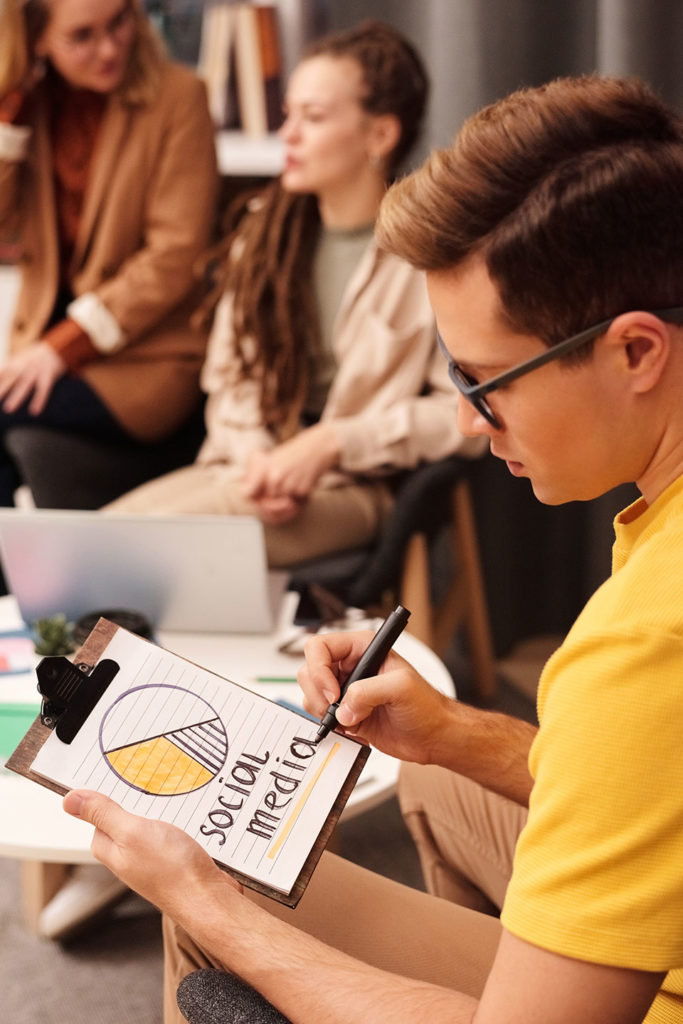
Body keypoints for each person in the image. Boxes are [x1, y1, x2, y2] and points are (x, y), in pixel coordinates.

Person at [62, 71, 683, 1024]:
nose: (474, 422)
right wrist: (449, 734)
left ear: (636, 352)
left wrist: (201, 901)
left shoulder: (640, 646)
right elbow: (645, 780)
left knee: (213, 899)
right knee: (430, 780)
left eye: (484, 382)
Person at [107, 20, 482, 567]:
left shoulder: (430, 257)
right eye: (289, 115)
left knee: (130, 550)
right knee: (94, 541)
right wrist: (262, 458)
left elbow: (463, 415)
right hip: (245, 472)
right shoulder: (263, 238)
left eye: (313, 117)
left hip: (356, 488)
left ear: (380, 135)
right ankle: (90, 657)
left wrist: (333, 443)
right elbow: (229, 378)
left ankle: (94, 655)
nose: (288, 135)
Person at [0, 0, 218, 506]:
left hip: (144, 360)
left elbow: (176, 256)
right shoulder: (34, 105)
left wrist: (63, 346)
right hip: (46, 346)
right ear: (36, 39)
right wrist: (9, 117)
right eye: (82, 37)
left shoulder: (180, 98)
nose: (110, 47)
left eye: (119, 21)